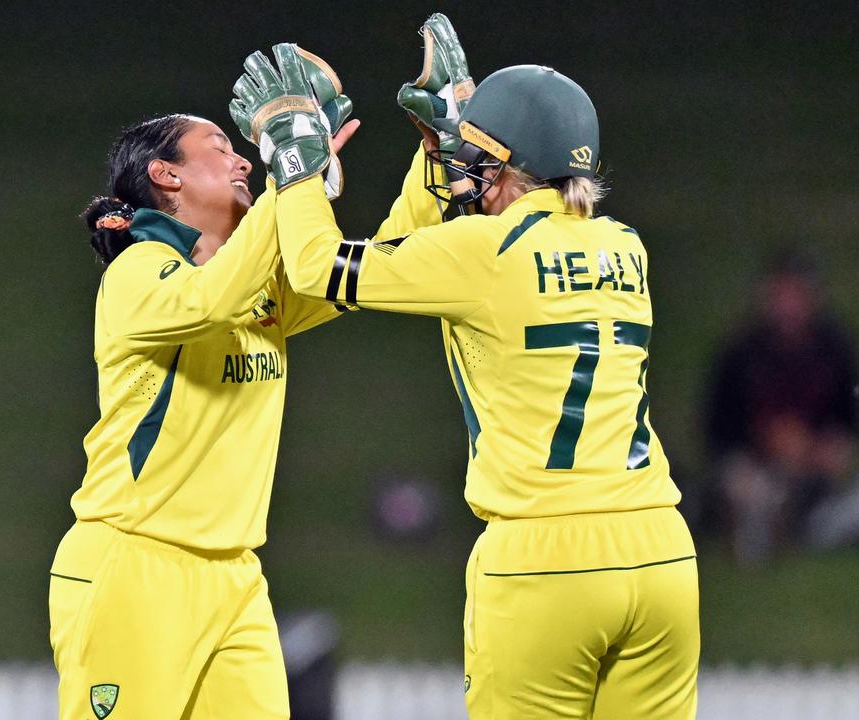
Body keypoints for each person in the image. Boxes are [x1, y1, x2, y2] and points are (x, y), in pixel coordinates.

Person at [233, 43, 699, 717]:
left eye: (478, 165)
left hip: (544, 556)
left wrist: (296, 158)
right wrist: (452, 142)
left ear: (512, 167)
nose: (465, 182)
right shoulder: (625, 245)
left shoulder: (484, 252)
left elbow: (315, 267)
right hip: (660, 549)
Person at [48, 54, 449, 718]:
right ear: (165, 175)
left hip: (235, 577)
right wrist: (293, 170)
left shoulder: (253, 284)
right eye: (221, 148)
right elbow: (213, 299)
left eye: (249, 152)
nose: (242, 161)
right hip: (133, 567)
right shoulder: (139, 273)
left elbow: (371, 264)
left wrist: (433, 160)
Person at [704, 250, 859, 565]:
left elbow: (852, 423)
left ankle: (803, 521)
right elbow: (717, 432)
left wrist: (819, 449)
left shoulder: (836, 348)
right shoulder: (740, 351)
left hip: (813, 468)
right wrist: (766, 441)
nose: (789, 306)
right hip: (753, 464)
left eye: (797, 295)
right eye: (781, 294)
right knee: (746, 486)